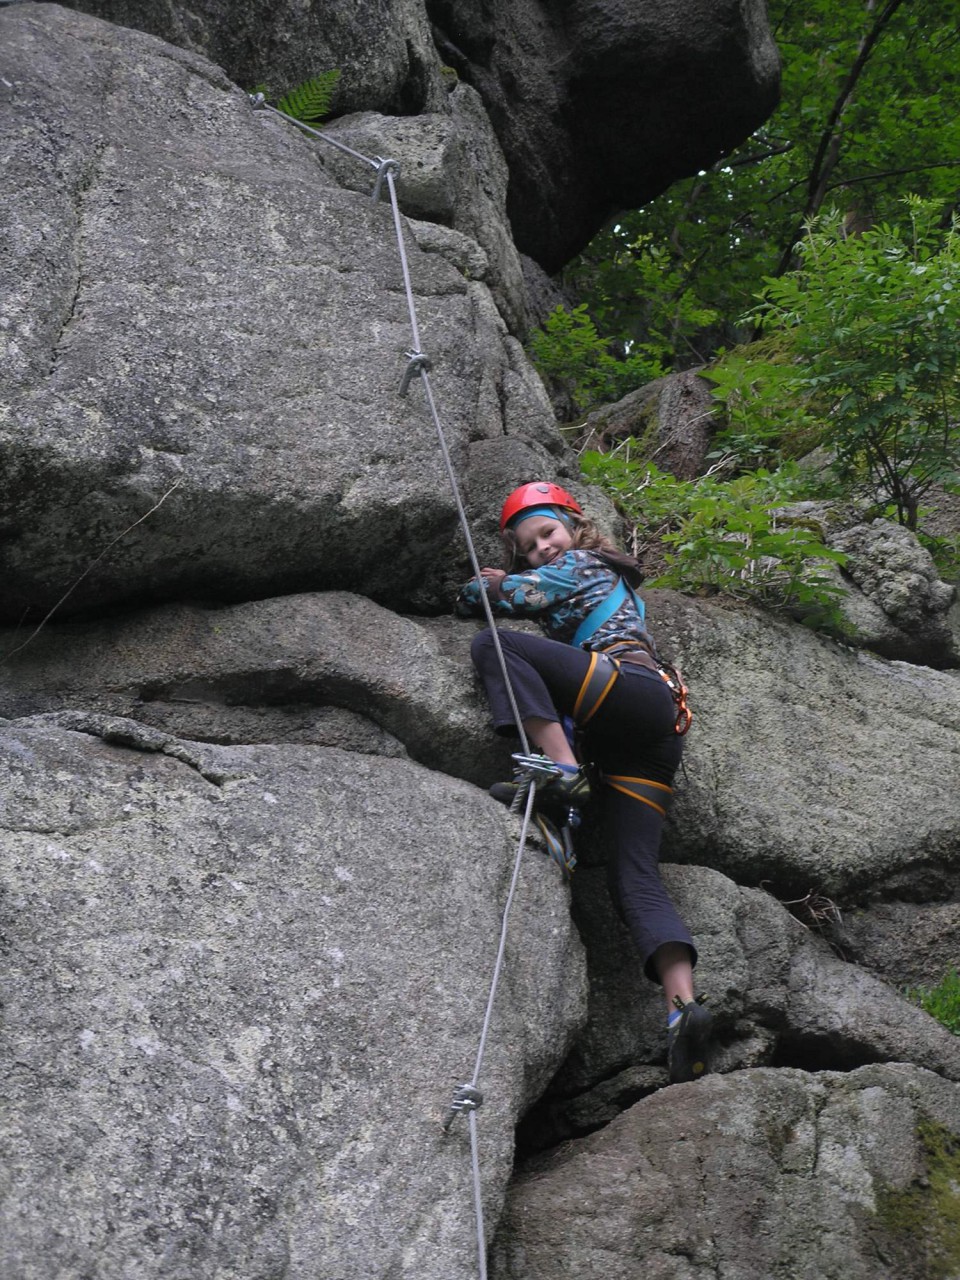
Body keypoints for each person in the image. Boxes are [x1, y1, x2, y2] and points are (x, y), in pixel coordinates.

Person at [457, 481, 712, 1084]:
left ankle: (563, 772)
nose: (541, 548)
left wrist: (493, 582)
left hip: (628, 688)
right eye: (528, 546)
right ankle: (683, 1008)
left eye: (547, 533)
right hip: (651, 733)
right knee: (633, 874)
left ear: (574, 526)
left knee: (494, 645)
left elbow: (499, 598)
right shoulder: (614, 577)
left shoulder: (583, 564)